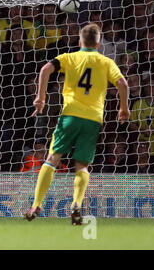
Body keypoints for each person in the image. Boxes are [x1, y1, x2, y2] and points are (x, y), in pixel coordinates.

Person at [24, 23, 130, 225]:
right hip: (92, 119)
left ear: (80, 41)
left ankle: (37, 204)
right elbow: (123, 84)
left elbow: (46, 68)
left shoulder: (69, 57)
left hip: (70, 115)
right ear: (98, 44)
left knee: (52, 158)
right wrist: (123, 108)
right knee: (82, 165)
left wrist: (41, 97)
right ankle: (76, 204)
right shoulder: (106, 62)